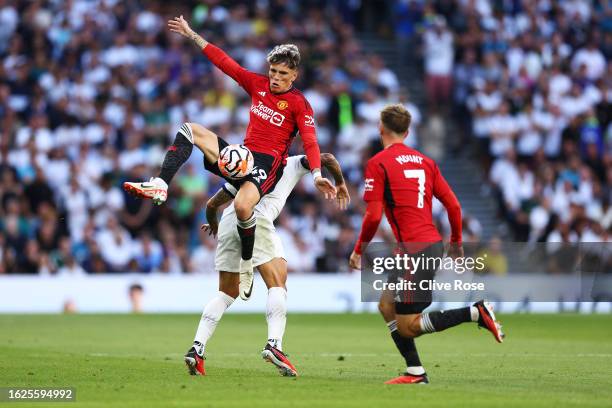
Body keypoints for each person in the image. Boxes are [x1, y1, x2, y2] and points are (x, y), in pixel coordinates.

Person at [124, 15, 336, 300]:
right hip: (242, 157)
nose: (275, 78)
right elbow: (225, 63)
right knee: (190, 130)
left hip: (267, 165)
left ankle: (247, 266)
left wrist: (317, 174)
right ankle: (161, 182)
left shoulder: (300, 104)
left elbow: (310, 141)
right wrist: (192, 35)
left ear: (294, 75)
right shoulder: (257, 84)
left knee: (242, 206)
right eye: (272, 71)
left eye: (282, 74)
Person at [349, 104, 504, 385]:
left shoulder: (378, 163)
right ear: (407, 132)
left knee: (409, 327)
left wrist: (359, 248)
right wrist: (456, 242)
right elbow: (454, 206)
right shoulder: (426, 162)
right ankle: (415, 372)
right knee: (386, 306)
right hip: (425, 246)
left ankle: (475, 312)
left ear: (380, 128)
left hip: (414, 251)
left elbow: (372, 216)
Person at [184, 153, 349, 377]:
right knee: (277, 284)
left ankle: (196, 349)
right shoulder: (293, 162)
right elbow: (328, 158)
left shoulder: (251, 165)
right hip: (255, 220)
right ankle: (274, 345)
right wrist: (340, 182)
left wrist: (215, 225)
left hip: (228, 222)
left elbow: (212, 204)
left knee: (226, 293)